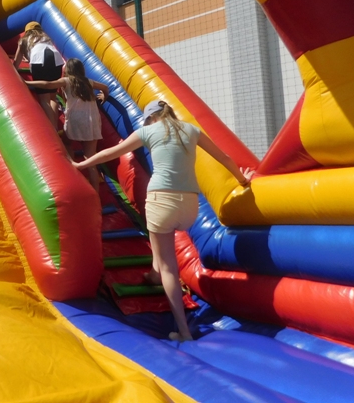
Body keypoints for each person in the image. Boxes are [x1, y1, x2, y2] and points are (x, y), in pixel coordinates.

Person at [73, 100, 252, 342]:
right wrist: (242, 180)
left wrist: (81, 164)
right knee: (160, 241)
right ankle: (154, 274)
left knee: (169, 264)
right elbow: (224, 157)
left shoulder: (148, 131)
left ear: (151, 118)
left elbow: (110, 152)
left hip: (161, 200)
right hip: (189, 206)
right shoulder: (191, 130)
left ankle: (184, 331)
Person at [25, 58, 109, 187]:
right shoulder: (88, 82)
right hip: (92, 120)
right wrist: (104, 96)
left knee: (66, 143)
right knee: (91, 160)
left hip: (76, 119)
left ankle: (73, 172)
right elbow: (105, 87)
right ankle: (96, 193)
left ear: (68, 70)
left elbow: (48, 84)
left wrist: (27, 82)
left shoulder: (67, 81)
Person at [13, 21, 65, 126]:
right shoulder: (46, 38)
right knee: (52, 97)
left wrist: (13, 73)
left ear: (27, 31)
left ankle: (52, 128)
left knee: (44, 99)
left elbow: (16, 62)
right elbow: (43, 51)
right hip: (57, 62)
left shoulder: (24, 40)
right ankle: (55, 124)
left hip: (39, 63)